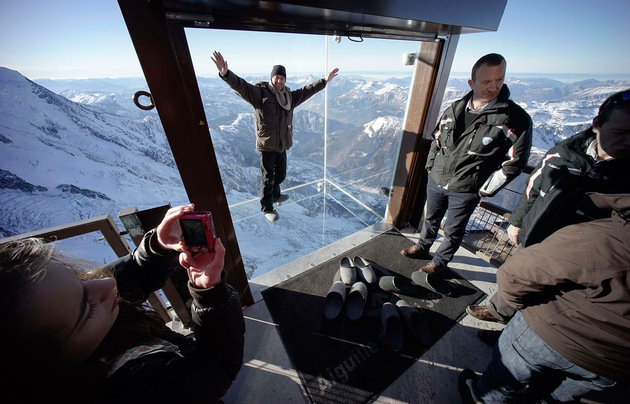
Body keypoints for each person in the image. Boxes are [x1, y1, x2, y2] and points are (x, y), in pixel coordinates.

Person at [0, 204, 245, 403]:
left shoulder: (66, 311)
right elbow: (217, 367)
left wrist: (157, 248)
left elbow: (134, 276)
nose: (106, 285)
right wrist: (210, 295)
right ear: (49, 369)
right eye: (87, 306)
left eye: (79, 279)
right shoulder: (143, 393)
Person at [467, 89, 630, 327]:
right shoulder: (561, 156)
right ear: (597, 125)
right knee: (520, 274)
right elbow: (532, 189)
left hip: (580, 256)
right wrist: (517, 220)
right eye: (621, 132)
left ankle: (522, 329)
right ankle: (498, 311)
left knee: (551, 298)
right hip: (536, 235)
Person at [459, 192, 630, 403]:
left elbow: (514, 276)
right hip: (615, 365)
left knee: (500, 383)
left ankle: (480, 397)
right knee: (550, 398)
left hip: (551, 333)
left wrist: (525, 311)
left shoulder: (604, 238)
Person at [401, 53, 532, 277]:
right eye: (486, 82)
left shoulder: (515, 119)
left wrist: (482, 189)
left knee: (453, 229)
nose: (494, 87)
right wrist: (431, 168)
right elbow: (436, 138)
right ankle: (423, 247)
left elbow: (515, 163)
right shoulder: (455, 108)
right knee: (430, 218)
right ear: (471, 83)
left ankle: (440, 262)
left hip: (467, 189)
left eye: (499, 80)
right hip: (437, 179)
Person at [211, 51, 339, 222]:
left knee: (280, 175)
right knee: (267, 177)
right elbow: (241, 86)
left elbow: (307, 91)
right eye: (277, 77)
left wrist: (324, 82)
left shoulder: (289, 97)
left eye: (282, 78)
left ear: (285, 80)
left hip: (282, 143)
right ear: (272, 78)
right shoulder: (260, 94)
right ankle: (267, 207)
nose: (279, 81)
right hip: (267, 145)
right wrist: (225, 74)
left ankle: (276, 195)